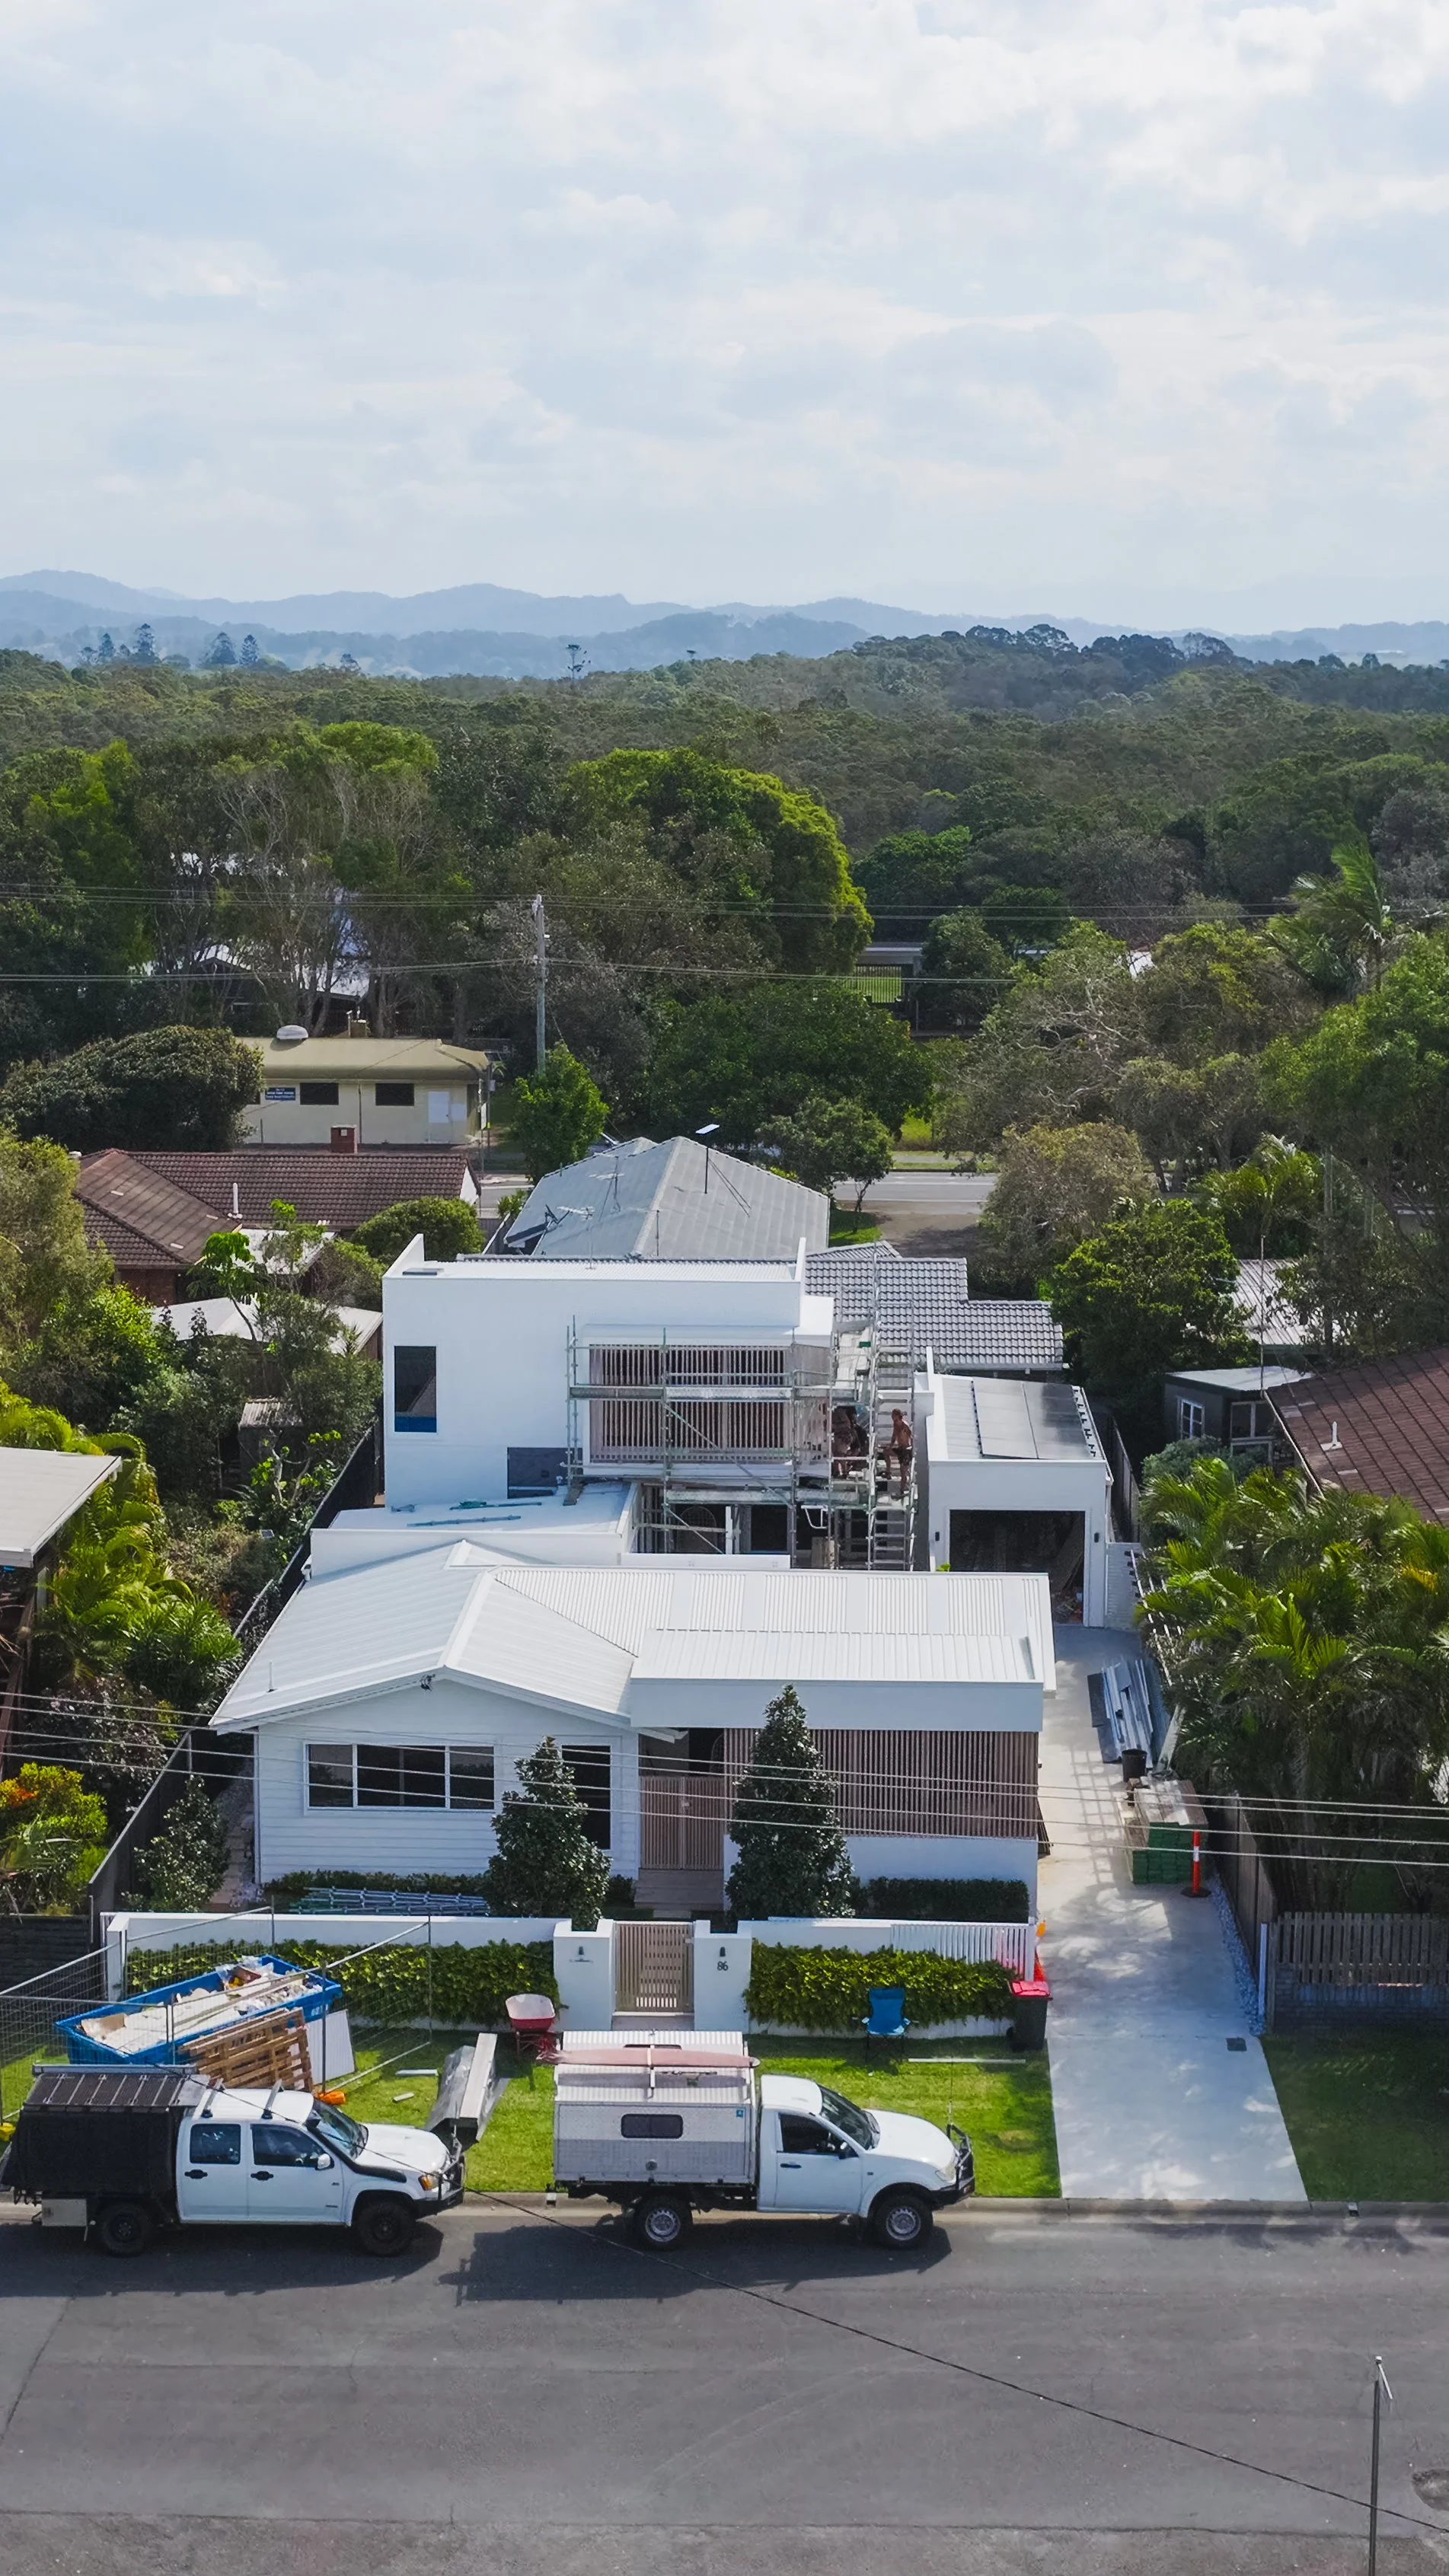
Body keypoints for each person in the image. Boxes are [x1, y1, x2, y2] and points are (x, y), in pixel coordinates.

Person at [885, 1408, 912, 1494]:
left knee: (903, 1471)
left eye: (894, 1415)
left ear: (897, 1415)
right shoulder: (895, 1425)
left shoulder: (905, 1425)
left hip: (906, 1450)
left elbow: (911, 1436)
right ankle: (888, 1472)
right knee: (886, 1452)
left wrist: (911, 1449)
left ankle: (902, 1490)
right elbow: (894, 1437)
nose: (892, 1417)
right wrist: (890, 1446)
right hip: (899, 1448)